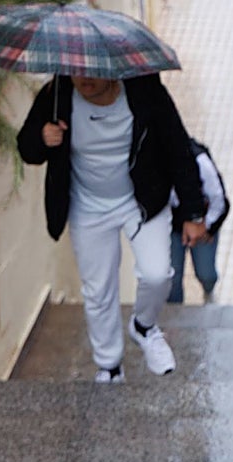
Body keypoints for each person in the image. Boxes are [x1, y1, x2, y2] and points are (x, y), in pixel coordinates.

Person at [17, 74, 207, 383]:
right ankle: (110, 366)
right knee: (98, 290)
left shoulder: (146, 91)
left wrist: (193, 212)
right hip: (88, 206)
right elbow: (26, 149)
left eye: (93, 70)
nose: (84, 78)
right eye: (77, 70)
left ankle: (144, 327)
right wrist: (42, 138)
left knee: (157, 274)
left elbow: (177, 149)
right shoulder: (56, 95)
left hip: (142, 201)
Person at [167, 138, 229, 304]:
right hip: (171, 227)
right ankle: (174, 319)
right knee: (172, 279)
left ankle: (209, 292)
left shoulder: (201, 163)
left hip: (202, 221)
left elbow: (220, 201)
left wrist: (208, 227)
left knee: (206, 274)